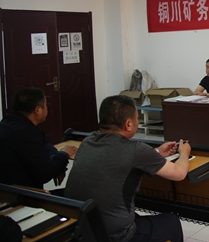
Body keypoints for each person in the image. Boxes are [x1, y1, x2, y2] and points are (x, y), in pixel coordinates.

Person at [65, 95, 191, 242]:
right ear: (128, 124)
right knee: (171, 222)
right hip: (115, 236)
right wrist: (184, 153)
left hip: (82, 229)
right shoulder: (136, 150)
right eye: (137, 118)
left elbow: (116, 158)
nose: (138, 122)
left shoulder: (87, 142)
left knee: (135, 217)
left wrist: (156, 152)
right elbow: (179, 173)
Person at [0, 88, 77, 189]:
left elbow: (44, 142)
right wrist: (64, 154)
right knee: (77, 194)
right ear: (38, 110)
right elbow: (45, 174)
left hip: (7, 191)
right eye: (45, 105)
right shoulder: (27, 133)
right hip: (19, 195)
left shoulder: (7, 123)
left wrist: (54, 156)